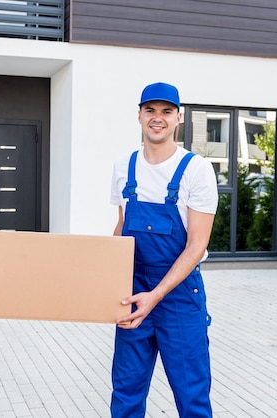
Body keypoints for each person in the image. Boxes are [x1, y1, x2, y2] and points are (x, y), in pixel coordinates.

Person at [109, 82, 218, 418]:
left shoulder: (196, 169)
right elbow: (120, 230)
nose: (158, 118)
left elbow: (197, 245)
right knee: (126, 394)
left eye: (166, 112)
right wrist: (105, 284)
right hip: (133, 293)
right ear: (139, 116)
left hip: (179, 297)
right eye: (151, 111)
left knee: (192, 399)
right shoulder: (124, 166)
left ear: (178, 118)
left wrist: (155, 295)